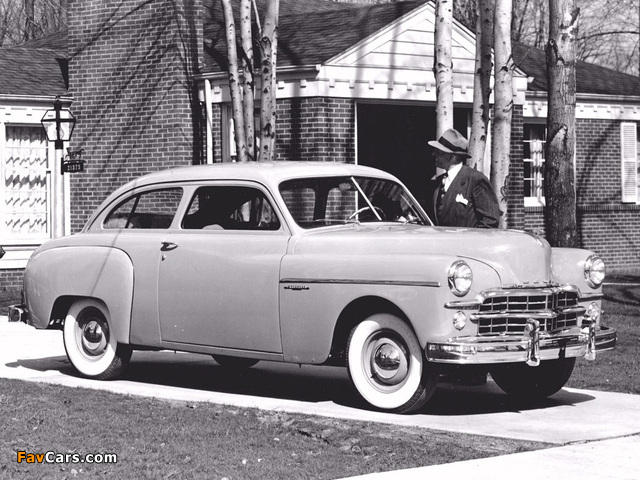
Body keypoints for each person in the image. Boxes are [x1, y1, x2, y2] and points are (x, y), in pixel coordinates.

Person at [428, 128, 500, 228]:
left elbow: (490, 222)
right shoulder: (438, 182)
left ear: (451, 157)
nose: (433, 154)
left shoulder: (475, 180)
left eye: (439, 152)